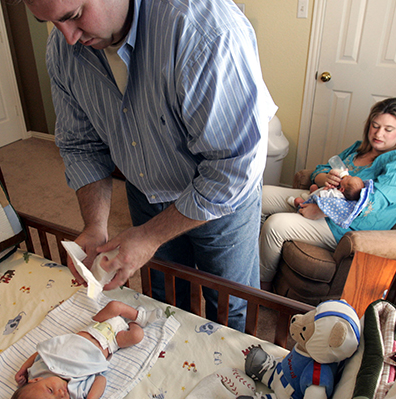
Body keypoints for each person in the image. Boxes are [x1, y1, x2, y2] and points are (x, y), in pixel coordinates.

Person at [20, 0, 277, 330]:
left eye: (74, 16)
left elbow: (233, 167)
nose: (68, 36)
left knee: (231, 308)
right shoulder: (63, 49)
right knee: (163, 300)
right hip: (146, 190)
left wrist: (151, 236)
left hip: (222, 202)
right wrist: (95, 225)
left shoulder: (205, 30)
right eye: (52, 23)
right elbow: (81, 145)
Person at [259, 97, 396, 290]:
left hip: (345, 226)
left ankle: (261, 287)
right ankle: (247, 256)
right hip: (322, 197)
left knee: (276, 225)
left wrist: (323, 210)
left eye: (388, 129)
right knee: (261, 195)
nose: (379, 134)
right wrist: (324, 178)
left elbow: (372, 202)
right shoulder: (358, 148)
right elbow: (319, 170)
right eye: (375, 126)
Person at [11, 301, 162, 399]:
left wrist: (23, 368)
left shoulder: (38, 370)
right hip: (112, 342)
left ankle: (139, 316)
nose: (61, 393)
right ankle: (135, 321)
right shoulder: (77, 390)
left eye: (50, 390)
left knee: (114, 306)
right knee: (137, 336)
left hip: (94, 327)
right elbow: (101, 379)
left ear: (36, 380)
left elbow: (41, 352)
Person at [290, 175, 364, 208]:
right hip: (316, 194)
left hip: (314, 202)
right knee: (314, 187)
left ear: (342, 189)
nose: (348, 176)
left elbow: (322, 196)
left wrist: (326, 188)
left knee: (297, 200)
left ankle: (300, 204)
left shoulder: (335, 195)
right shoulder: (341, 191)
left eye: (347, 179)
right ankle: (310, 195)